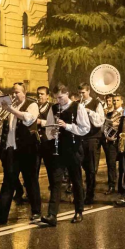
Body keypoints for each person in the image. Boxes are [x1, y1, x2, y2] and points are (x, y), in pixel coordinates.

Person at [0, 83, 41, 225]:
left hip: (28, 149)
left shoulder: (32, 105)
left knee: (30, 181)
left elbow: (28, 119)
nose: (14, 95)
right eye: (13, 92)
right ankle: (1, 214)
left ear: (24, 93)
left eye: (17, 92)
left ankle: (36, 211)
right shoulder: (11, 108)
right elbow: (8, 130)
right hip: (12, 149)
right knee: (8, 181)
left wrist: (10, 109)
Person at [39, 84, 92, 225]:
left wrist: (67, 126)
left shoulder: (78, 107)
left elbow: (85, 128)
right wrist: (52, 132)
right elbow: (48, 128)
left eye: (61, 97)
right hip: (59, 149)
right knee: (56, 181)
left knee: (76, 180)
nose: (58, 101)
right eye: (56, 98)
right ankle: (52, 215)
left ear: (67, 94)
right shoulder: (54, 108)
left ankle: (79, 211)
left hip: (74, 148)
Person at [78, 83, 106, 205]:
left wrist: (89, 111)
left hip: (92, 138)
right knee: (80, 166)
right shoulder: (78, 103)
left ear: (88, 91)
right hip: (80, 138)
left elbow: (100, 121)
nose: (81, 95)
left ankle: (90, 195)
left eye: (83, 93)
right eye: (79, 93)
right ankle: (80, 193)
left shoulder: (96, 103)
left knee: (91, 168)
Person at [102, 95, 124, 194]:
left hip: (122, 141)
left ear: (122, 101)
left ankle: (122, 186)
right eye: (114, 100)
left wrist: (119, 125)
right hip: (111, 142)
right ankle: (111, 186)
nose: (115, 102)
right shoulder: (109, 114)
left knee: (122, 165)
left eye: (117, 100)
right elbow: (105, 126)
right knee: (111, 165)